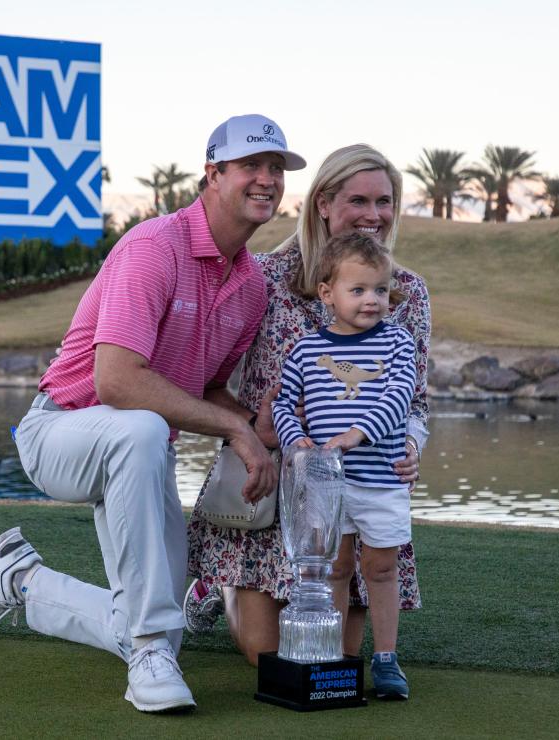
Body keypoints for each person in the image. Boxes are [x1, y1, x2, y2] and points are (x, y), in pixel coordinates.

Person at [0, 114, 306, 713]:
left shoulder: (250, 284)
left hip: (140, 451)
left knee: (163, 620)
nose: (267, 179)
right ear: (213, 173)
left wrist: (253, 427)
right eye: (251, 165)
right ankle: (146, 651)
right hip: (59, 431)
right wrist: (231, 428)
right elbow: (116, 382)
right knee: (143, 430)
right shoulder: (154, 247)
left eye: (276, 169)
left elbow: (208, 385)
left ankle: (24, 582)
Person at [185, 143, 429, 686]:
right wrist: (252, 427)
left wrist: (412, 445)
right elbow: (206, 378)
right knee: (267, 655)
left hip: (357, 481)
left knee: (337, 655)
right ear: (322, 202)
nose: (373, 214)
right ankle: (215, 582)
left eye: (385, 201)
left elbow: (415, 400)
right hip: (272, 487)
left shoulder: (405, 292)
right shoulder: (263, 278)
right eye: (357, 199)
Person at [273, 231, 416, 698]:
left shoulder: (397, 344)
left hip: (380, 481)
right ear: (327, 293)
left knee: (379, 568)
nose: (372, 300)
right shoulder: (305, 350)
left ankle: (386, 659)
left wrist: (357, 435)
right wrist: (297, 444)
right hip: (326, 486)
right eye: (358, 290)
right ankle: (329, 658)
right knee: (333, 568)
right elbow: (282, 405)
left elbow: (399, 398)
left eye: (379, 289)